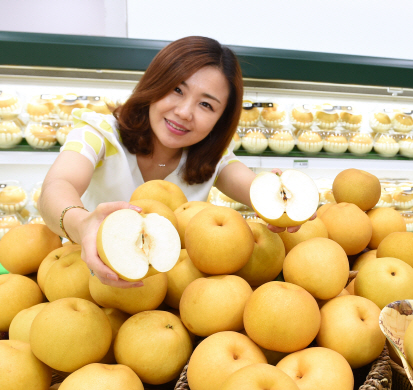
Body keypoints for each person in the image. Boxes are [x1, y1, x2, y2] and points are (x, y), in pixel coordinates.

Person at [39, 36, 296, 290]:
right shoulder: (101, 134)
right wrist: (81, 223)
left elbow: (253, 187)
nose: (184, 112)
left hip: (179, 296)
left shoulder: (213, 157)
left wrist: (280, 199)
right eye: (177, 90)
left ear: (221, 119)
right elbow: (57, 186)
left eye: (206, 104)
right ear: (154, 83)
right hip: (92, 284)